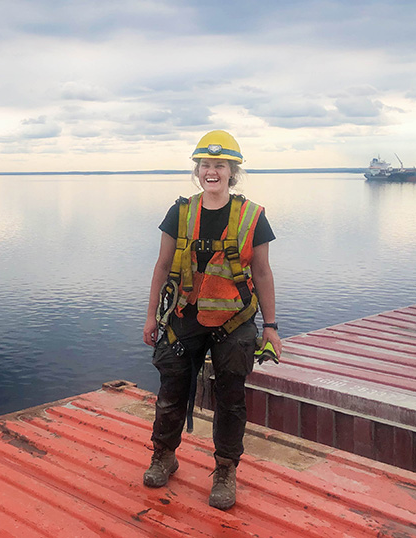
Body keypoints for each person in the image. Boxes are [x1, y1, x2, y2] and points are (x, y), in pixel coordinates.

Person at [141, 130, 281, 510]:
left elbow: (264, 273)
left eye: (219, 165)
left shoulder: (253, 216)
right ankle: (164, 456)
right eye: (205, 165)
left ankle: (224, 470)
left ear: (232, 172)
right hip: (184, 316)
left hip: (235, 321)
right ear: (198, 171)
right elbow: (162, 265)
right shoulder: (180, 212)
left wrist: (270, 328)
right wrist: (152, 316)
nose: (212, 171)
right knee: (171, 391)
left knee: (231, 399)